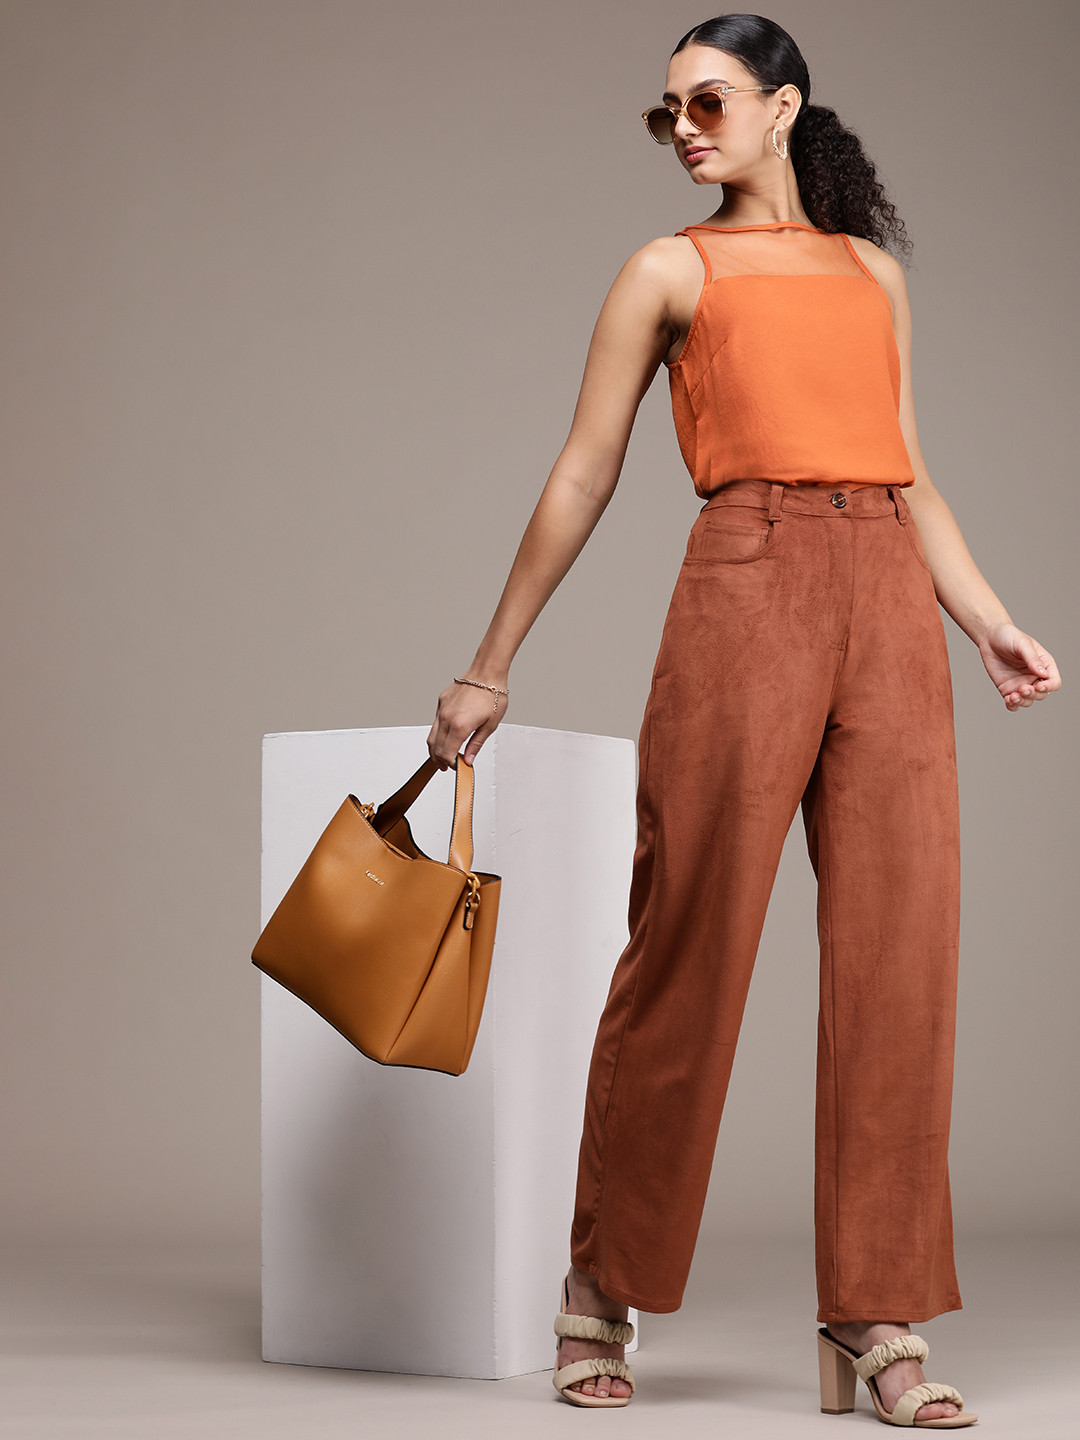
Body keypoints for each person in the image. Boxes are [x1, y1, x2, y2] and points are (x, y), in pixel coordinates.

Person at [426, 11, 1060, 1423]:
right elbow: (585, 470)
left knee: (902, 957)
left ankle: (873, 1314)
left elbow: (908, 469)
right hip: (748, 579)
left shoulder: (873, 274)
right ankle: (602, 1288)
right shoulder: (669, 270)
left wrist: (985, 617)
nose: (683, 129)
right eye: (667, 111)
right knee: (690, 938)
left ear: (785, 106)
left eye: (706, 101)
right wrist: (491, 663)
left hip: (888, 599)